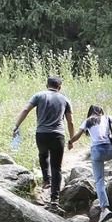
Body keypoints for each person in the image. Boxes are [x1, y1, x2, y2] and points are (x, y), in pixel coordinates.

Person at [12, 75, 76, 205]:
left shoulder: (39, 96)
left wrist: (16, 125)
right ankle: (54, 199)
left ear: (47, 85)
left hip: (41, 134)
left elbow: (25, 109)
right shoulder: (65, 99)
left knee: (43, 155)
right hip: (58, 135)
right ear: (59, 87)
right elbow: (70, 121)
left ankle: (46, 180)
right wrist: (72, 139)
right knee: (56, 167)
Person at [68, 104, 112, 220]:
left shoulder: (88, 121)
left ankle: (104, 209)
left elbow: (77, 136)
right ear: (101, 111)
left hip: (97, 152)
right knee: (102, 176)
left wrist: (70, 142)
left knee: (99, 181)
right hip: (110, 151)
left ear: (90, 112)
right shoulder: (107, 118)